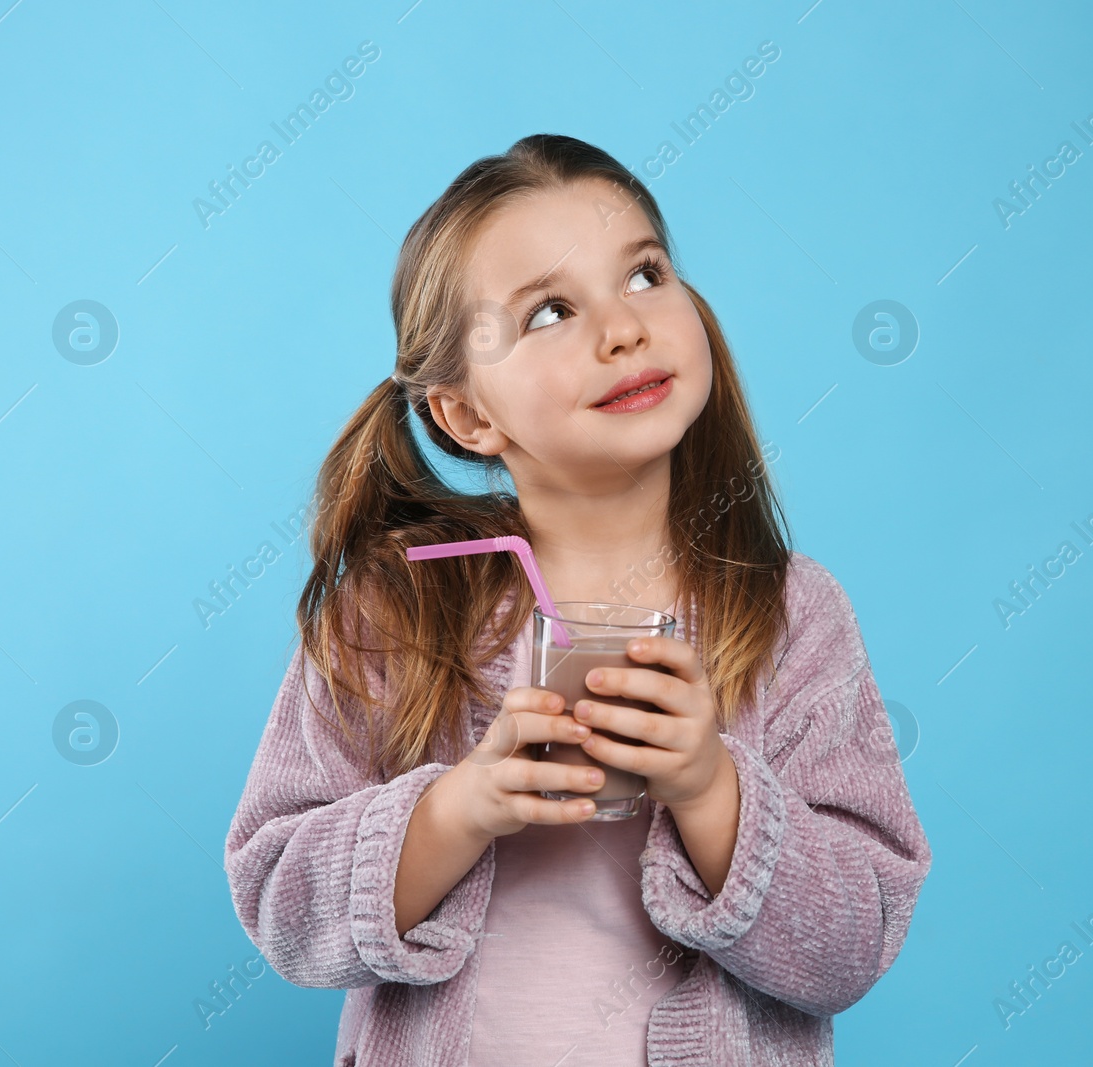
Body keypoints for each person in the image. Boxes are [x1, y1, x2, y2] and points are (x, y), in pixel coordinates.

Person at [223, 133, 932, 1066]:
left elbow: (857, 939)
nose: (624, 327)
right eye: (550, 310)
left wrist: (711, 787)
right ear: (468, 413)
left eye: (644, 275)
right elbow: (278, 895)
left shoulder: (792, 613)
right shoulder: (399, 606)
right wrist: (458, 808)